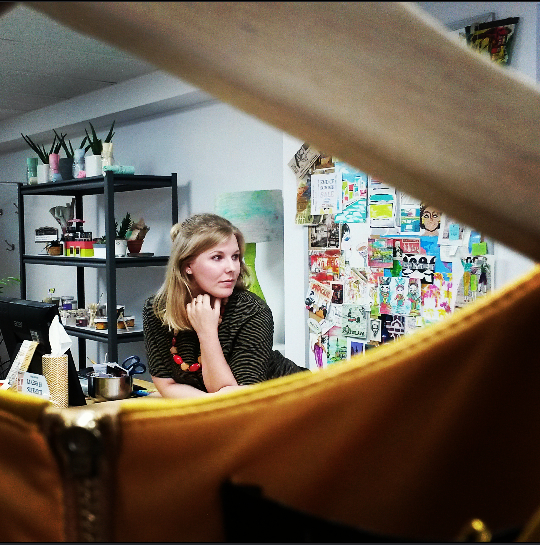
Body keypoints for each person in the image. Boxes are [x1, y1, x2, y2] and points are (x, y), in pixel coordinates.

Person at [143, 213, 308, 398]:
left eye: (235, 257)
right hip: (229, 410)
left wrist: (207, 332)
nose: (232, 268)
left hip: (298, 399)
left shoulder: (251, 311)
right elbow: (167, 385)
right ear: (187, 264)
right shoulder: (157, 310)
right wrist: (211, 402)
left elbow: (234, 399)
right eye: (217, 257)